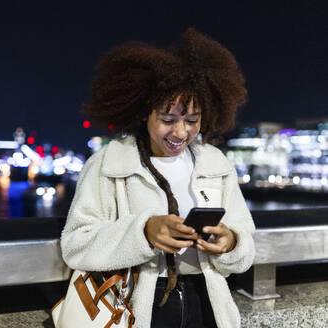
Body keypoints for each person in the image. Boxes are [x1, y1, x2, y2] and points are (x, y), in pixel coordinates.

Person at [60, 28, 255, 328]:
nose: (180, 133)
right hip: (137, 306)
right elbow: (75, 245)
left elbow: (245, 241)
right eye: (168, 120)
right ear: (144, 113)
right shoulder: (108, 164)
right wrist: (144, 232)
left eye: (192, 120)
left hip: (208, 304)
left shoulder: (216, 164)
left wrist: (230, 243)